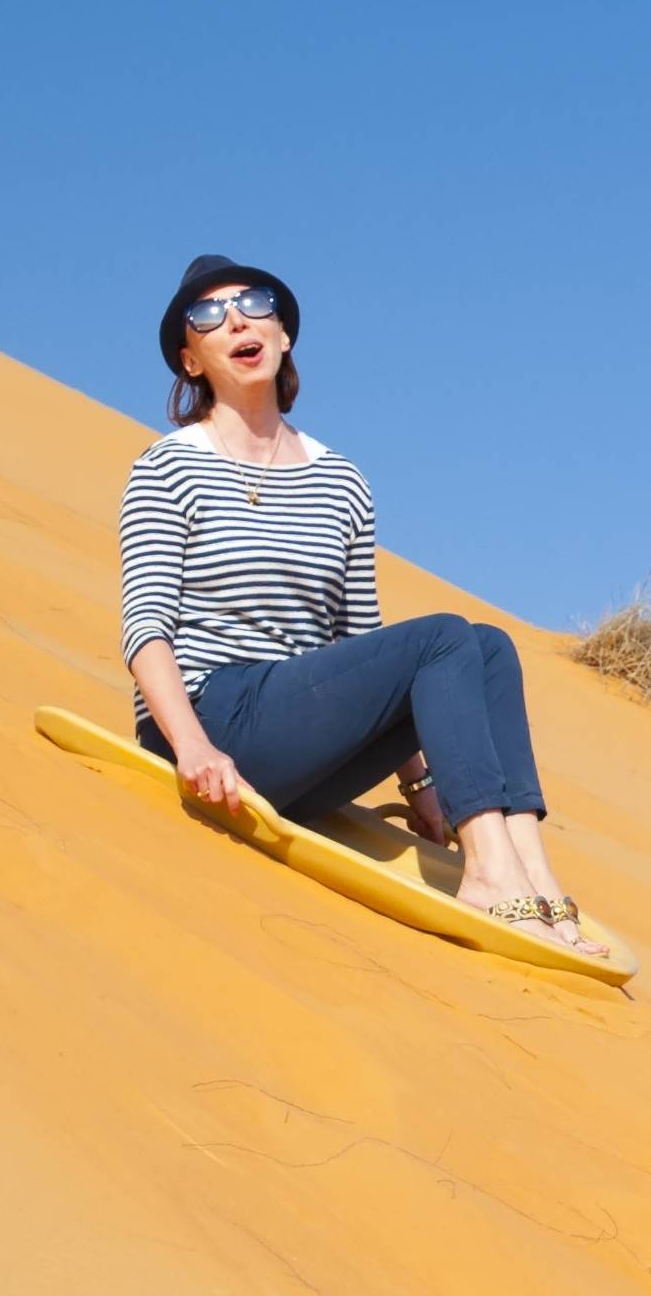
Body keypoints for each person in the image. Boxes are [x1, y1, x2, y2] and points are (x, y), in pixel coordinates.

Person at [118, 253, 603, 953]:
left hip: (297, 750)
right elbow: (145, 628)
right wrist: (193, 746)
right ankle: (491, 874)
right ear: (191, 361)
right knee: (441, 636)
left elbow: (361, 650)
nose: (235, 321)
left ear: (283, 335)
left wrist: (423, 789)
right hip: (212, 722)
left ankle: (534, 873)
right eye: (207, 316)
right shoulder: (168, 466)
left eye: (254, 304)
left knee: (486, 645)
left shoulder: (342, 483)